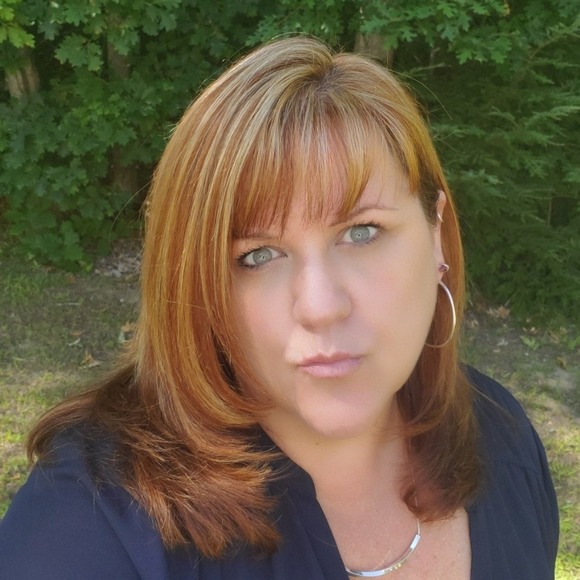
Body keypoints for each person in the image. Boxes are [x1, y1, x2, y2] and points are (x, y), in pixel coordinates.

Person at [0, 37, 558, 580]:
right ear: (196, 288)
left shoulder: (501, 437)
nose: (320, 307)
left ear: (436, 234)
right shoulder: (89, 525)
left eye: (362, 232)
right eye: (258, 255)